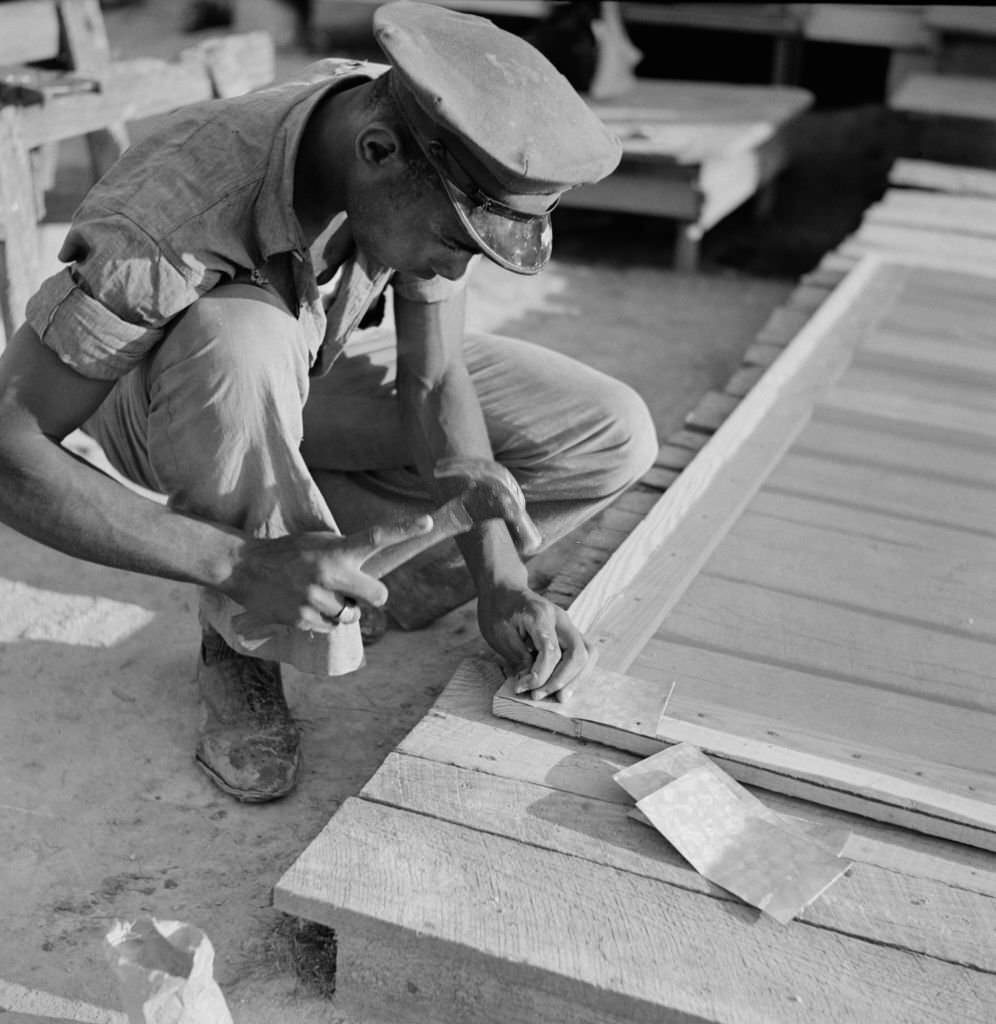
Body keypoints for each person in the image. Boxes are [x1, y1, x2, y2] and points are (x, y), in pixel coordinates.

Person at [0, 1, 657, 802]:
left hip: (306, 363)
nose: (453, 274)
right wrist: (237, 561)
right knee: (238, 341)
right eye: (455, 246)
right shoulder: (173, 211)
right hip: (171, 392)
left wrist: (501, 576)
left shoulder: (423, 141)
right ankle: (245, 639)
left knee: (610, 432)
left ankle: (369, 583)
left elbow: (433, 377)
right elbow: (10, 450)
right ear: (376, 153)